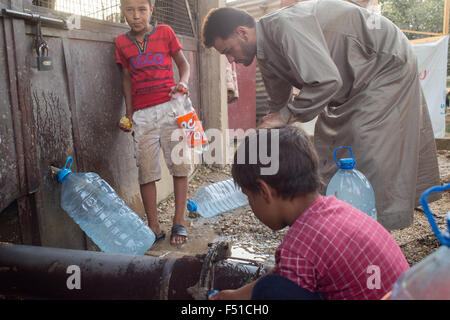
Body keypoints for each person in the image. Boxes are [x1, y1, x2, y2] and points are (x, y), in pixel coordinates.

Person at [200, 0, 441, 230]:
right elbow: (278, 103)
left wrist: (286, 115)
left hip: (384, 64)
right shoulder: (265, 54)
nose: (231, 60)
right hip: (354, 79)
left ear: (242, 32)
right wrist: (271, 126)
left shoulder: (284, 27)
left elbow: (326, 81)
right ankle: (337, 217)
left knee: (365, 143)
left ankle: (373, 227)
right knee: (328, 140)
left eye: (228, 51)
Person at [210, 126, 409, 300]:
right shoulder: (333, 210)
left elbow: (276, 285)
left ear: (264, 192)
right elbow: (283, 271)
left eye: (248, 196)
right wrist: (236, 296)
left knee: (268, 290)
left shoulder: (300, 245)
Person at [115, 0, 191, 245]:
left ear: (151, 10)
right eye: (129, 10)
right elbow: (126, 80)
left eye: (141, 10)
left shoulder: (165, 33)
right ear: (122, 11)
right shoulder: (121, 43)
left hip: (171, 109)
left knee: (179, 165)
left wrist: (184, 83)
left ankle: (179, 221)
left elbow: (183, 64)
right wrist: (129, 113)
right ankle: (154, 226)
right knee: (146, 171)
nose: (136, 16)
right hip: (143, 116)